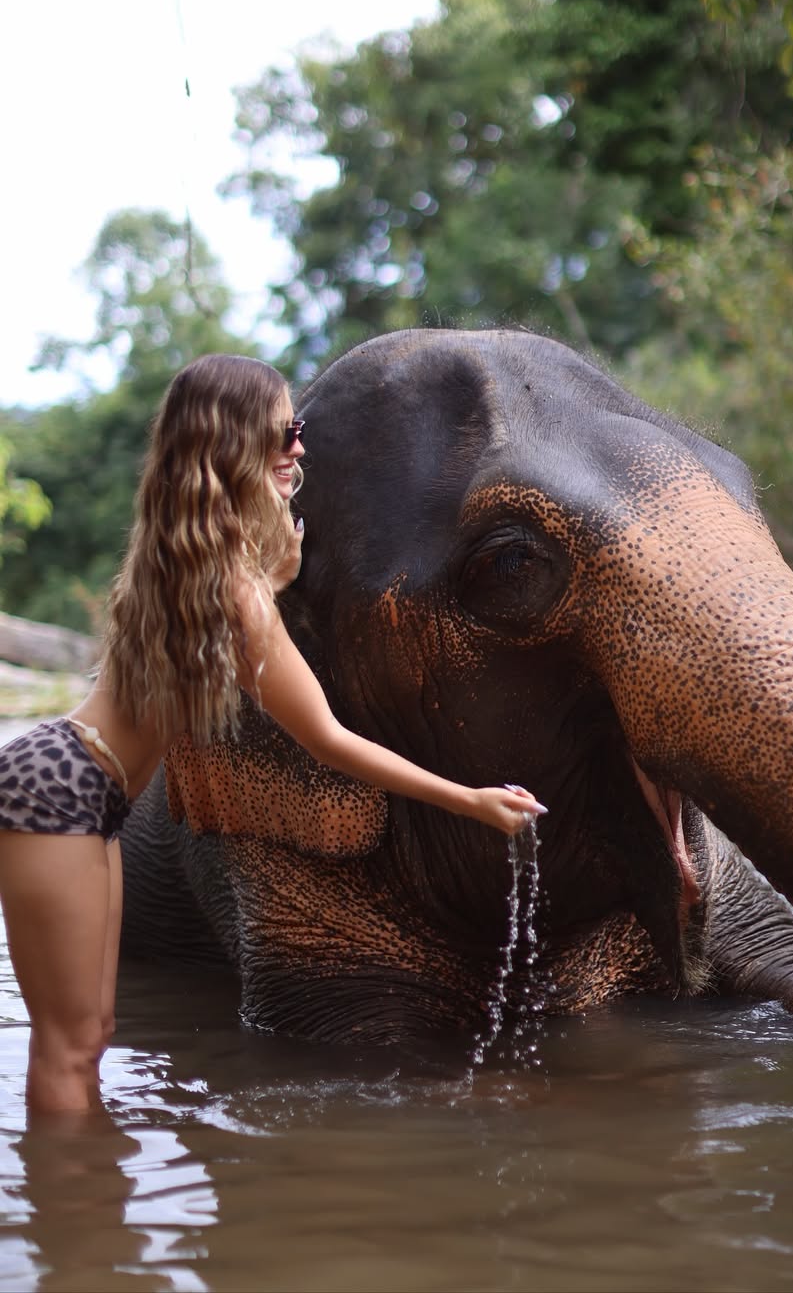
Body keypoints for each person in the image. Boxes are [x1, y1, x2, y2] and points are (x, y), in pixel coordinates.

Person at [0, 353, 546, 1117]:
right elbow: (327, 740)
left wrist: (274, 582)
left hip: (74, 782)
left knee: (89, 1037)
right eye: (284, 431)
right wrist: (470, 800)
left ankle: (90, 1218)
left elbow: (220, 646)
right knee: (68, 1047)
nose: (298, 447)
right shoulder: (233, 587)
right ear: (235, 445)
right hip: (61, 787)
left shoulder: (178, 555)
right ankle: (71, 1222)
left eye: (301, 428)